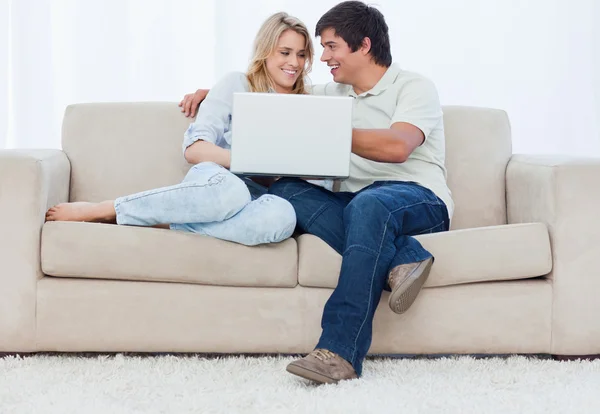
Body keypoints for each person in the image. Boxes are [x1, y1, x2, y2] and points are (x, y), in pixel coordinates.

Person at [181, 1, 453, 384]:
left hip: (417, 196)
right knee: (287, 188)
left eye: (330, 47)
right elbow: (275, 92)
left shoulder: (414, 86)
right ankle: (404, 258)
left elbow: (398, 147)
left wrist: (332, 128)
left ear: (363, 45)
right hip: (358, 205)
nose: (322, 58)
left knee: (370, 204)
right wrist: (214, 93)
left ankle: (339, 351)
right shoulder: (331, 93)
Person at [45, 12, 319, 247]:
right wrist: (250, 160)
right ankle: (106, 209)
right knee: (232, 192)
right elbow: (194, 148)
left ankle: (166, 223)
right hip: (217, 182)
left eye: (301, 54)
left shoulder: (309, 106)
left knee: (283, 217)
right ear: (266, 51)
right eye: (285, 52)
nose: (294, 63)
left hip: (259, 198)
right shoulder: (237, 84)